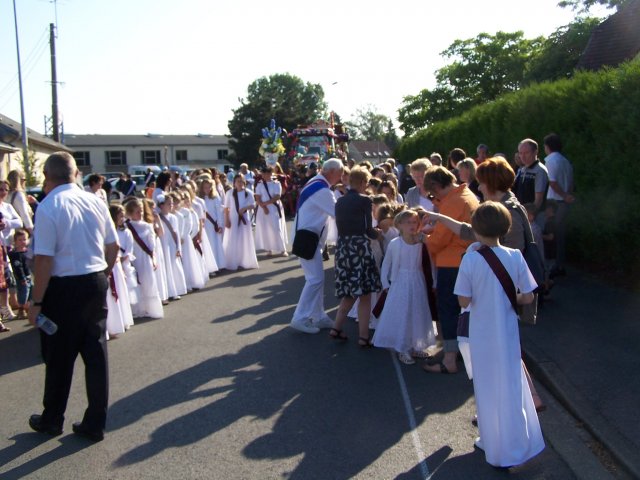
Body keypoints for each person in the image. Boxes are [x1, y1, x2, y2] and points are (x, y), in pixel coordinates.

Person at [28, 151, 119, 442]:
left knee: (58, 355)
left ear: (47, 177)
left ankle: (52, 418)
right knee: (95, 355)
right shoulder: (95, 200)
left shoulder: (48, 206)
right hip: (94, 280)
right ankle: (95, 421)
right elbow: (113, 245)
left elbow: (43, 259)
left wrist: (37, 301)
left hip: (63, 287)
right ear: (75, 173)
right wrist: (104, 274)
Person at [454, 201, 544, 467]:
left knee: (486, 388)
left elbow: (462, 301)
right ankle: (517, 445)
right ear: (505, 227)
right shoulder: (515, 256)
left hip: (481, 334)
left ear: (475, 228)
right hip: (507, 333)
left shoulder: (470, 259)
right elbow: (527, 297)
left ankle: (492, 441)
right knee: (511, 388)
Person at [422, 166, 479, 374]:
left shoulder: (453, 202)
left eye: (432, 193)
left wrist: (424, 238)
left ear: (437, 186)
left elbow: (440, 239)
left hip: (452, 263)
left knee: (448, 310)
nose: (433, 197)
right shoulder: (467, 194)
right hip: (467, 260)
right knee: (465, 310)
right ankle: (463, 353)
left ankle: (449, 359)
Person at [372, 209, 436, 363]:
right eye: (408, 222)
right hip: (400, 281)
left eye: (414, 222)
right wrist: (386, 283)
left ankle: (415, 345)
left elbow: (430, 264)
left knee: (417, 310)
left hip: (417, 280)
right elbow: (386, 264)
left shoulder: (421, 243)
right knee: (403, 311)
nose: (412, 225)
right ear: (399, 225)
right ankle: (402, 348)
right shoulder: (396, 244)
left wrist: (434, 281)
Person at [329, 166, 381, 346]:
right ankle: (364, 337)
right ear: (362, 182)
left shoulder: (340, 202)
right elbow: (368, 229)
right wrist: (379, 233)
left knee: (349, 292)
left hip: (343, 248)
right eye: (366, 182)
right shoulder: (365, 200)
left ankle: (336, 328)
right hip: (359, 248)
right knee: (365, 295)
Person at [290, 158, 343, 334]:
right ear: (333, 172)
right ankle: (300, 318)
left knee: (316, 279)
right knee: (315, 279)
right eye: (340, 173)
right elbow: (339, 214)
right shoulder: (322, 189)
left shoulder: (316, 182)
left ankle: (318, 316)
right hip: (308, 240)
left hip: (308, 238)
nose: (341, 177)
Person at [124, 198, 164, 319]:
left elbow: (152, 245)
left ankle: (151, 309)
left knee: (148, 282)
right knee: (135, 284)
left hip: (145, 259)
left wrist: (153, 259)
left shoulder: (147, 226)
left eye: (141, 211)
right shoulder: (127, 226)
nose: (140, 214)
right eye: (137, 211)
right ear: (130, 213)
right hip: (133, 259)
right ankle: (138, 309)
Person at [543, 133, 574, 278]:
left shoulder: (550, 160)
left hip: (555, 202)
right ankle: (560, 264)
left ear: (547, 147)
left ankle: (554, 265)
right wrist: (568, 195)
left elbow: (553, 182)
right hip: (564, 202)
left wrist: (563, 195)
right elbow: (570, 182)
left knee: (552, 234)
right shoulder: (566, 161)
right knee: (560, 235)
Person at [512, 138, 548, 228]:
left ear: (535, 152)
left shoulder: (540, 170)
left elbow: (539, 199)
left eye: (526, 153)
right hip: (521, 215)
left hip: (534, 217)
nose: (522, 156)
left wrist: (530, 215)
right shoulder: (521, 170)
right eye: (520, 153)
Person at [254, 166, 288, 256]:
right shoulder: (260, 184)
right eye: (263, 173)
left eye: (266, 173)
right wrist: (264, 207)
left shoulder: (276, 183)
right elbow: (257, 197)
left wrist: (266, 204)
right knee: (266, 229)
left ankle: (283, 249)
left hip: (274, 207)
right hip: (263, 209)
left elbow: (277, 196)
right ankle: (269, 249)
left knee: (277, 228)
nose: (264, 175)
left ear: (270, 174)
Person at [9, 228, 32, 319]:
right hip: (22, 277)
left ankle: (28, 308)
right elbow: (18, 268)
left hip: (29, 275)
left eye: (24, 239)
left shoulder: (27, 252)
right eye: (20, 240)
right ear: (15, 241)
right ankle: (21, 310)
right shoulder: (15, 254)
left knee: (31, 293)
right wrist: (22, 278)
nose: (23, 242)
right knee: (24, 293)